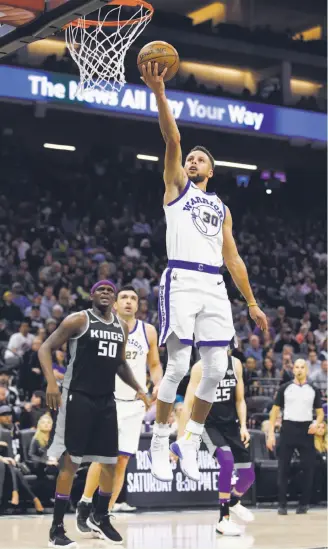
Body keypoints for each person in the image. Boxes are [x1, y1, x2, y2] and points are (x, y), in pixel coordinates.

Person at [141, 61, 268, 482]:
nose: (192, 160)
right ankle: (162, 437)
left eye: (200, 159)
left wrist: (250, 302)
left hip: (214, 284)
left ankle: (190, 438)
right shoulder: (175, 188)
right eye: (190, 158)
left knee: (217, 370)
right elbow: (172, 137)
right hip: (180, 278)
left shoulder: (220, 207)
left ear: (211, 171)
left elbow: (233, 258)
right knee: (177, 368)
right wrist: (160, 92)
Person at [38, 280, 150, 548]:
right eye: (101, 290)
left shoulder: (121, 327)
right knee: (72, 462)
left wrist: (139, 388)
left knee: (111, 461)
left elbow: (120, 363)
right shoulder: (77, 320)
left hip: (106, 400)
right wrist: (52, 384)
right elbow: (45, 349)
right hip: (78, 396)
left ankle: (101, 515)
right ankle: (56, 529)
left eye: (110, 291)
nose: (106, 293)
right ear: (91, 296)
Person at [76, 285, 162, 533]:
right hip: (107, 400)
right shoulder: (101, 328)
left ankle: (104, 513)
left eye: (133, 298)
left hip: (135, 405)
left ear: (138, 305)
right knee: (104, 457)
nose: (128, 301)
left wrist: (157, 384)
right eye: (123, 297)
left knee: (122, 460)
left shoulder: (148, 331)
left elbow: (155, 364)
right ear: (114, 304)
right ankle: (85, 503)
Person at [178, 351, 254, 535]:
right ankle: (223, 519)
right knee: (226, 462)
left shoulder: (235, 364)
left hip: (231, 425)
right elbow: (188, 404)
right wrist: (181, 438)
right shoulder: (200, 367)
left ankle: (234, 501)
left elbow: (240, 400)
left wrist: (243, 426)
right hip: (208, 424)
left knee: (248, 475)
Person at [267, 359, 324, 515]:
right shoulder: (285, 388)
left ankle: (303, 504)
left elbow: (320, 413)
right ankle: (282, 504)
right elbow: (274, 412)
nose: (299, 370)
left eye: (302, 367)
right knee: (283, 467)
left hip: (306, 430)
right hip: (288, 428)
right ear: (293, 370)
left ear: (307, 370)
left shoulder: (313, 389)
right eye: (297, 367)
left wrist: (316, 423)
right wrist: (271, 434)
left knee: (308, 468)